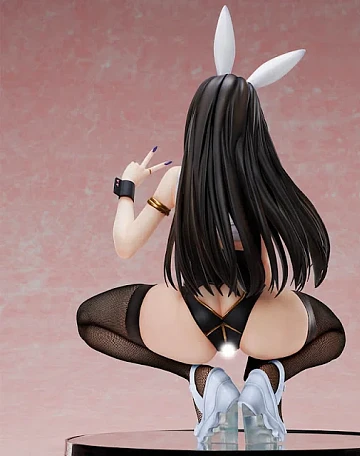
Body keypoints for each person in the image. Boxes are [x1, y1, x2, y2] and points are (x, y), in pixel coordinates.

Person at [76, 6, 346, 447]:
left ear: (197, 120)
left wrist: (127, 188)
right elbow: (266, 270)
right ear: (255, 125)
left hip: (186, 315)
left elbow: (125, 245)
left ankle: (203, 381)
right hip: (259, 316)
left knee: (92, 320)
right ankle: (266, 379)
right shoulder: (265, 184)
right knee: (330, 333)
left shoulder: (177, 181)